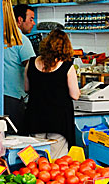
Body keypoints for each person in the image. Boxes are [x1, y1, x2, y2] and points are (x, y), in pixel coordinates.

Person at [24, 29, 80, 159]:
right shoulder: (67, 66)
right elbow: (75, 95)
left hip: (35, 119)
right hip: (58, 121)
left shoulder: (31, 63)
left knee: (34, 160)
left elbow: (26, 88)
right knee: (55, 162)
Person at [3, 4, 36, 133]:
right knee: (17, 137)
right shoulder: (22, 40)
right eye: (31, 19)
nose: (33, 23)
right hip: (15, 98)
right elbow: (32, 68)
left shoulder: (0, 37)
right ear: (20, 20)